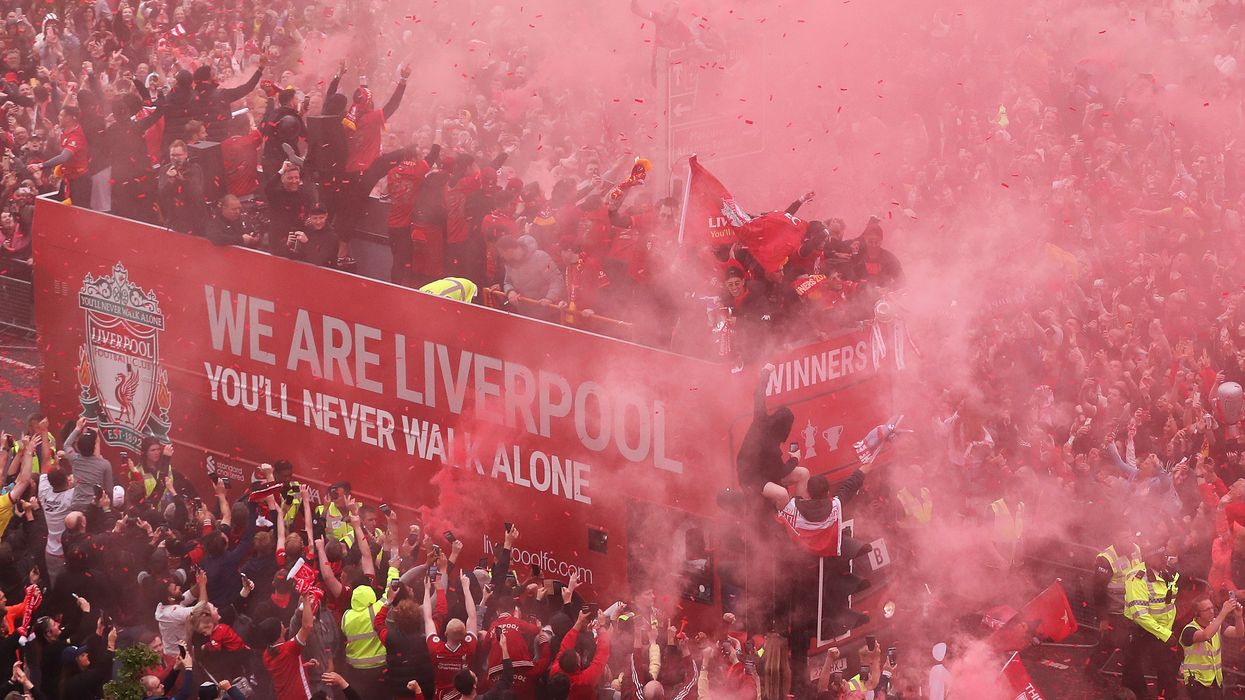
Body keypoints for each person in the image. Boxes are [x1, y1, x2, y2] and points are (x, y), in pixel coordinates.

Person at [1122, 544, 1181, 699]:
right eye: (1159, 556)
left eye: (1164, 555)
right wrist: (1165, 634)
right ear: (1149, 558)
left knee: (1168, 669)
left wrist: (1167, 630)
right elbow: (1140, 615)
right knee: (1134, 669)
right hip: (1140, 630)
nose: (1164, 559)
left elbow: (1169, 604)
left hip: (1161, 631)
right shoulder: (1137, 578)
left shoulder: (1167, 572)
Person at [1180, 596, 1243, 699]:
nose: (1211, 611)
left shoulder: (1216, 624)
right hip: (1197, 681)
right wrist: (1223, 612)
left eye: (1212, 608)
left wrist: (1238, 617)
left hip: (1215, 680)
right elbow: (1206, 635)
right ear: (1197, 614)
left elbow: (1238, 633)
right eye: (1207, 609)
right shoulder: (1189, 630)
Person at [259, 592, 316, 700]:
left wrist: (302, 665)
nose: (282, 624)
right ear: (279, 631)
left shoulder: (266, 654)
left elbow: (285, 669)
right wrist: (306, 599)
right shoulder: (289, 648)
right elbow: (308, 625)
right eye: (280, 623)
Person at [496, 234, 565, 318]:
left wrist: (549, 298)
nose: (501, 256)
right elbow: (507, 282)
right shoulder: (509, 264)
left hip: (546, 312)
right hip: (524, 312)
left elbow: (556, 279)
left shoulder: (541, 258)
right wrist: (510, 291)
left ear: (509, 250)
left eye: (502, 252)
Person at [158, 139, 207, 236]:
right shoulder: (165, 170)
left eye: (178, 155)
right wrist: (170, 181)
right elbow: (161, 194)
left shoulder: (194, 168)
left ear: (186, 155)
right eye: (172, 155)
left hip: (193, 219)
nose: (175, 158)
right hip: (174, 219)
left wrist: (183, 180)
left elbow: (197, 193)